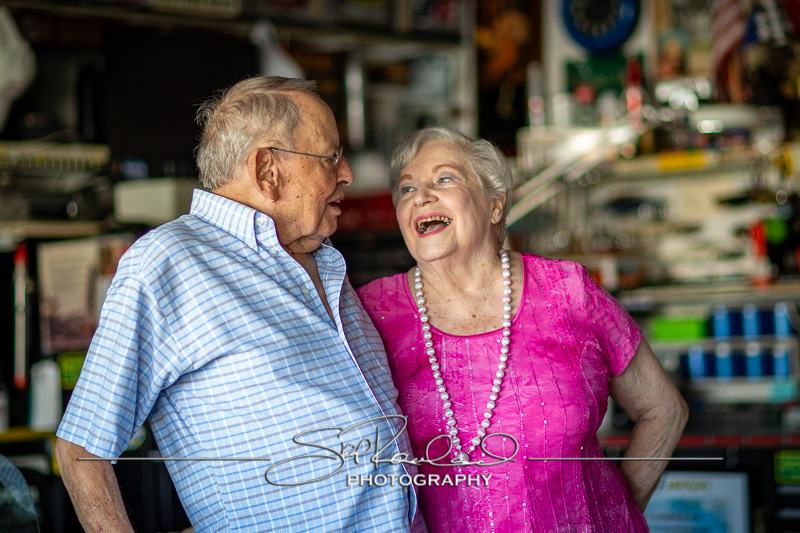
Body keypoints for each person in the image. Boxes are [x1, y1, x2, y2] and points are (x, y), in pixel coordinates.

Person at [55, 77, 423, 532]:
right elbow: (81, 450)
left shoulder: (323, 263)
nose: (346, 172)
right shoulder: (170, 261)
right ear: (268, 169)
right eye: (330, 156)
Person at [357, 126, 689, 532]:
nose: (421, 195)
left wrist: (619, 513)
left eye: (444, 178)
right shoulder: (371, 311)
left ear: (494, 205)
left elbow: (663, 410)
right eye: (406, 189)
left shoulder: (568, 292)